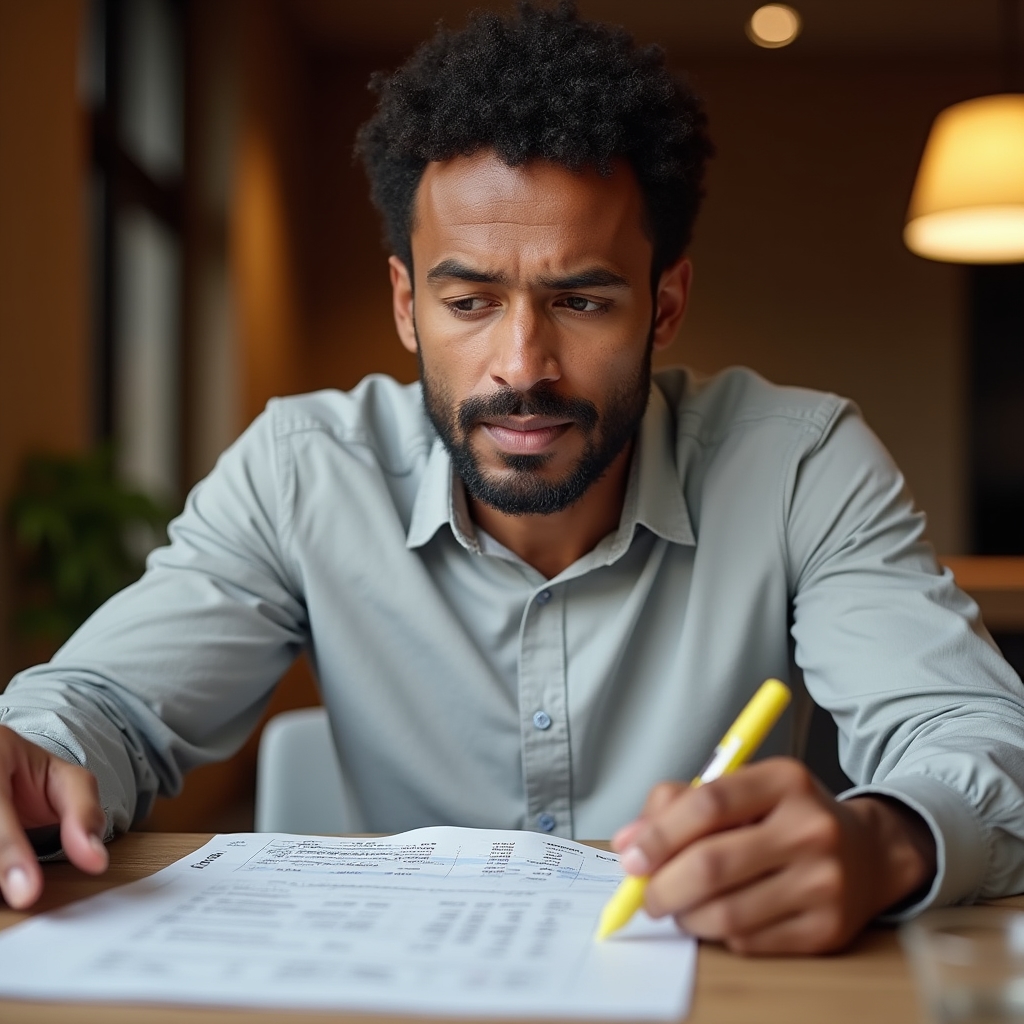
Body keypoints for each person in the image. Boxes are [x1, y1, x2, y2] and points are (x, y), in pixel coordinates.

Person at [1, 1, 1023, 955]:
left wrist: (887, 840)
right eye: (469, 302)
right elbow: (107, 705)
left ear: (664, 306)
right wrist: (34, 756)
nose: (522, 366)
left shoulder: (801, 463)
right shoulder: (301, 468)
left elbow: (978, 737)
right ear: (406, 305)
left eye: (581, 302)